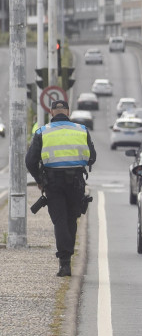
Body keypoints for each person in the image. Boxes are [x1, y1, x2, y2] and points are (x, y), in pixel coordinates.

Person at [25, 99, 97, 277]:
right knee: (72, 219)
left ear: (51, 113)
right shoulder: (81, 130)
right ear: (68, 112)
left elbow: (30, 161)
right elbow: (92, 157)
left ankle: (64, 263)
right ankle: (67, 256)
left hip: (53, 183)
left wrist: (39, 179)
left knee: (60, 220)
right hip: (76, 182)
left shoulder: (42, 132)